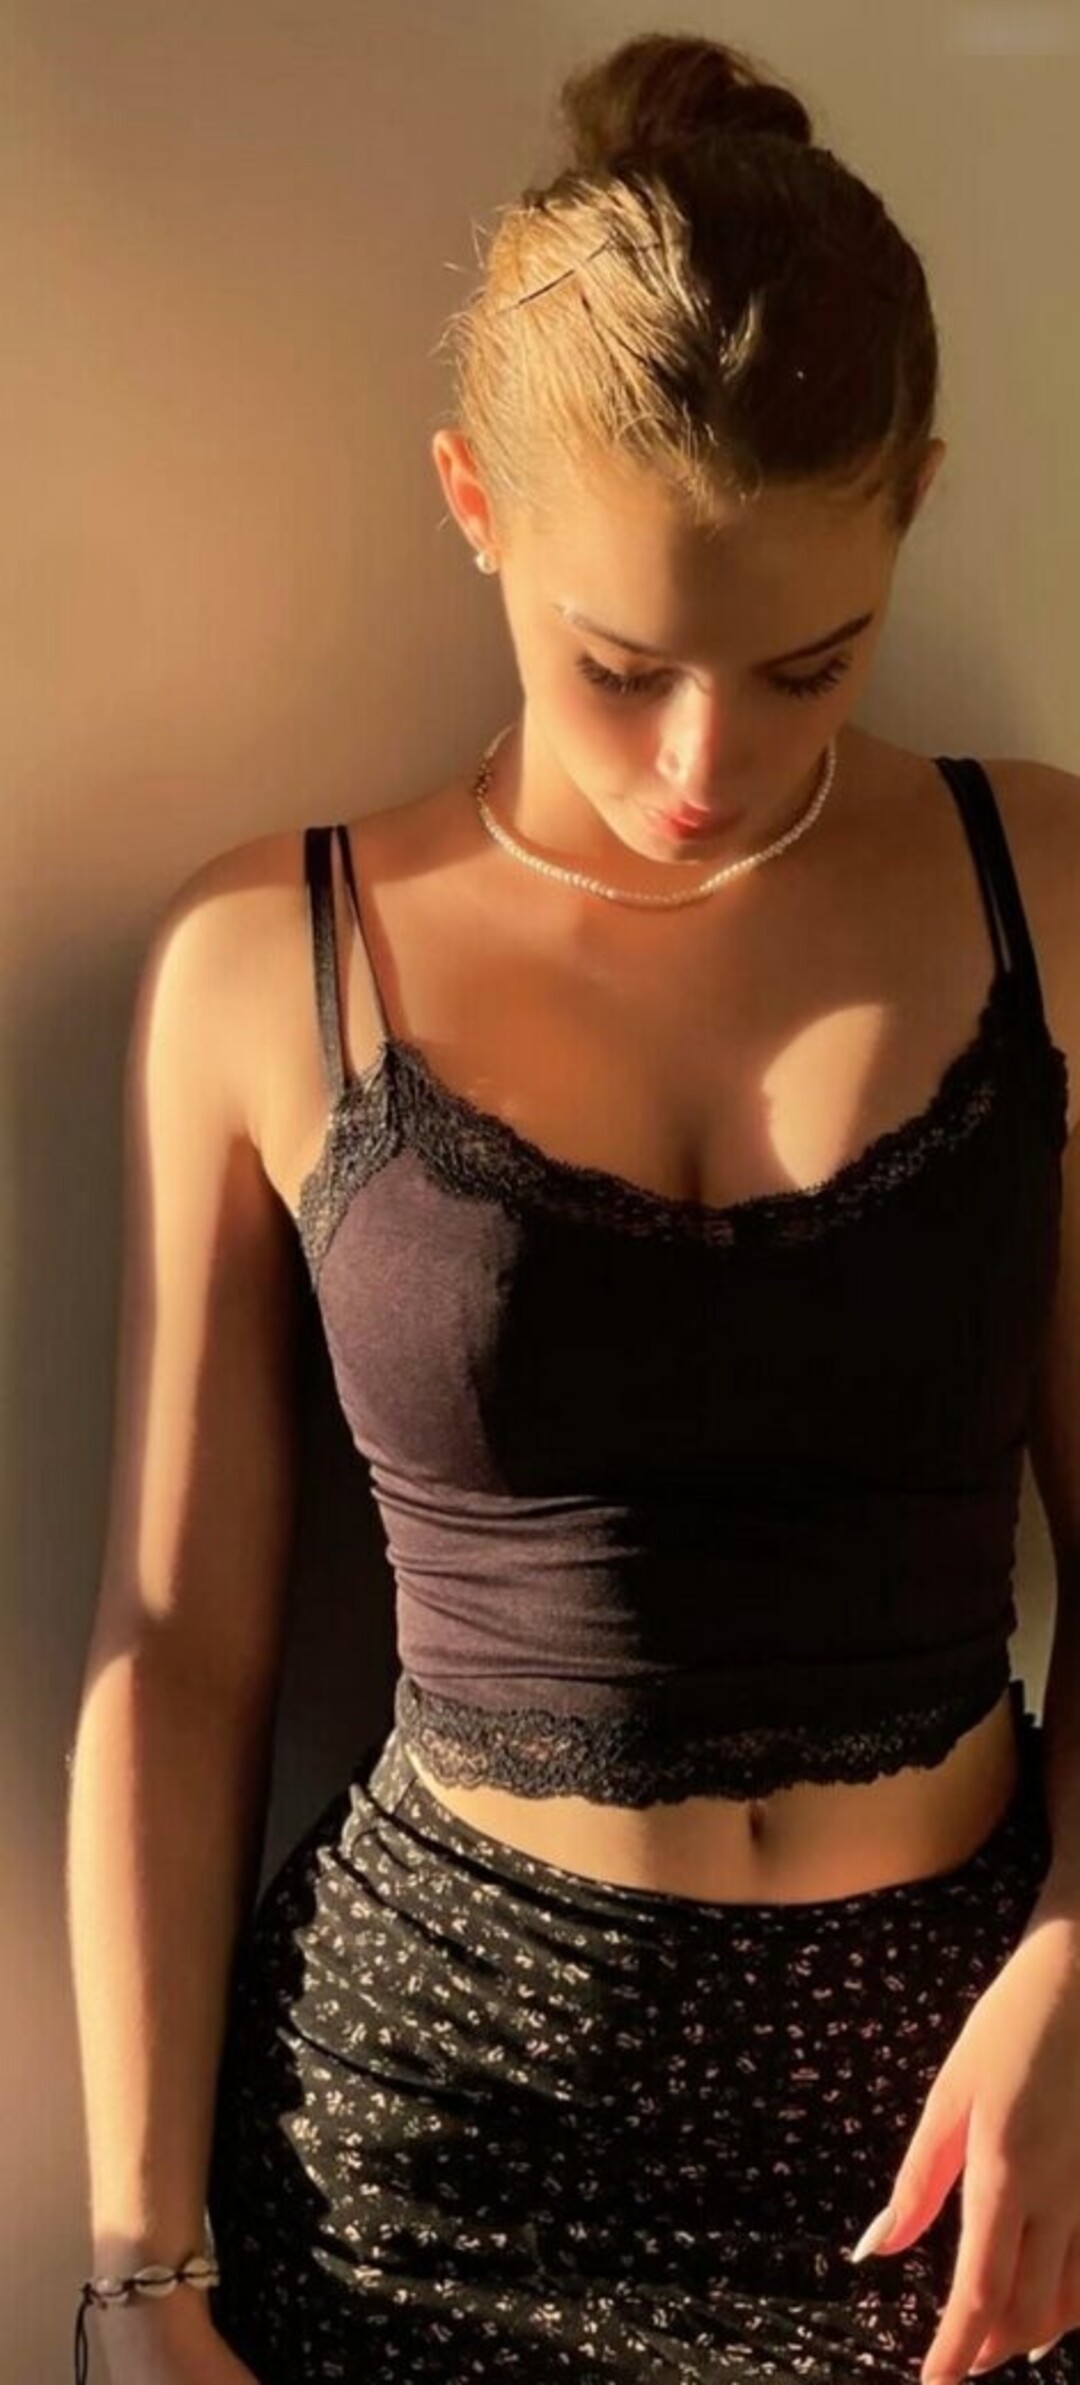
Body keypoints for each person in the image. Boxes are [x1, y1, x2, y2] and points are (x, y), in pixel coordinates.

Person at [64, 26, 1080, 2385]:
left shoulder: (1045, 890)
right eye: (623, 669)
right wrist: (139, 2264)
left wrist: (1079, 1962)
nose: (706, 763)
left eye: (807, 662)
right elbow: (176, 1649)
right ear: (475, 503)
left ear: (912, 513)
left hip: (961, 2148)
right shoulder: (270, 960)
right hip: (423, 2156)